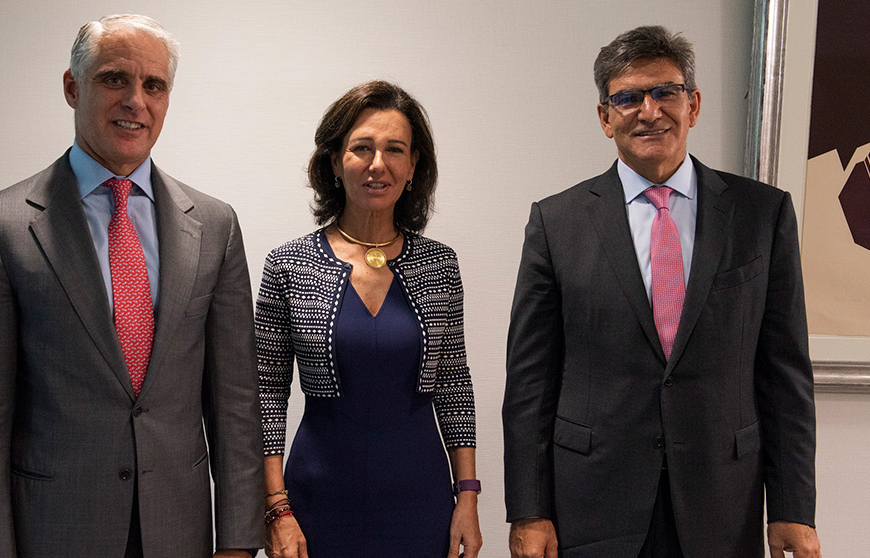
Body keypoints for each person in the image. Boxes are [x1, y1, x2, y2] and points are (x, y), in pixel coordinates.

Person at [0, 14, 263, 558]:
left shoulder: (215, 225)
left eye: (154, 85)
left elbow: (234, 402)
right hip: (55, 533)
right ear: (72, 86)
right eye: (115, 78)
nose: (136, 100)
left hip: (180, 534)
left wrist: (238, 541)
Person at [503, 26, 820, 558]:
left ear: (692, 105)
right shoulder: (556, 223)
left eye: (665, 92)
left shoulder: (762, 215)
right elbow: (530, 382)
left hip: (722, 501)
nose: (649, 111)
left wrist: (793, 508)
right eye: (627, 98)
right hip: (594, 503)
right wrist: (529, 512)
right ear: (605, 118)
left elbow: (784, 373)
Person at [255, 80, 482, 558]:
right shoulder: (287, 264)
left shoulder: (440, 265)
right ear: (336, 161)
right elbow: (266, 394)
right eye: (362, 148)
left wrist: (468, 498)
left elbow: (455, 385)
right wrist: (277, 509)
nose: (378, 164)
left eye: (395, 149)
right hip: (315, 504)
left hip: (420, 504)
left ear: (414, 165)